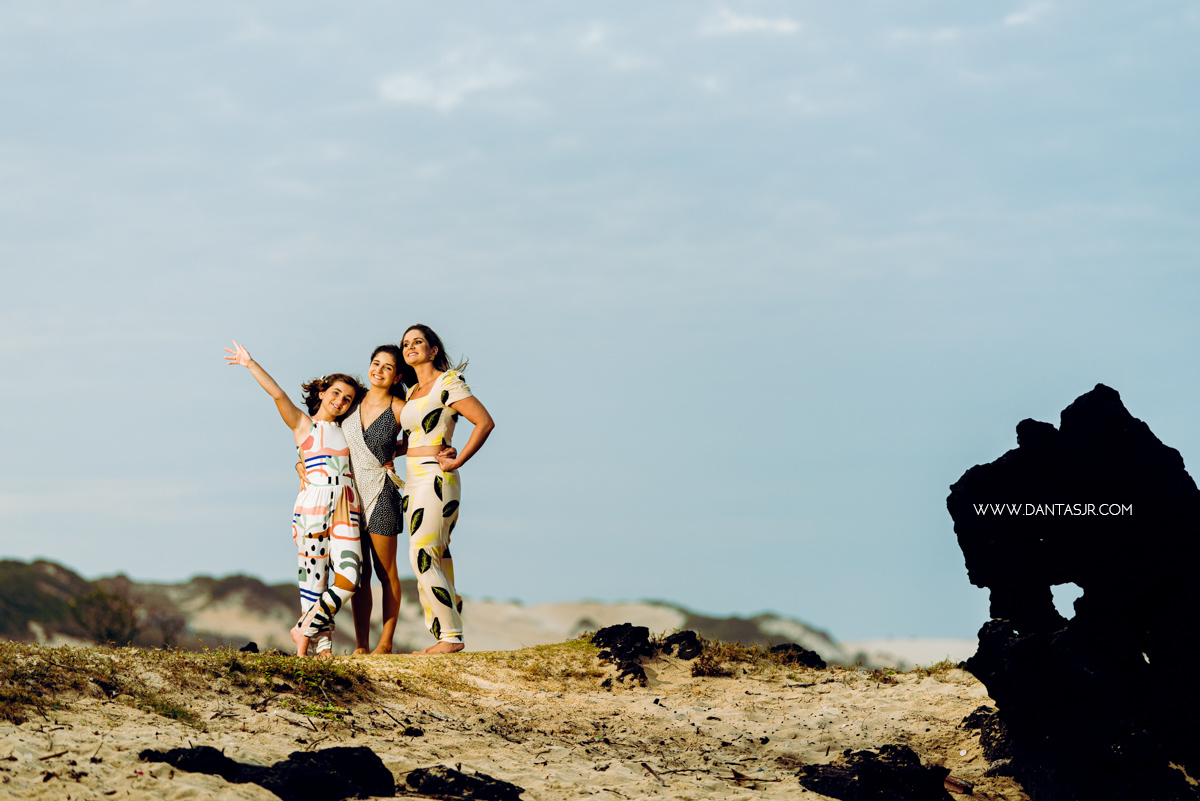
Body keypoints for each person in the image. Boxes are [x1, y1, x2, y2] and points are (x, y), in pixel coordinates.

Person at [224, 340, 364, 658]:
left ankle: (304, 627)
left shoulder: (349, 430)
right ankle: (322, 647)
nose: (340, 401)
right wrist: (250, 363)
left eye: (347, 398)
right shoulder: (304, 424)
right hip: (314, 503)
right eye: (336, 393)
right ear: (322, 392)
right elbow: (278, 394)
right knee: (314, 579)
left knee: (350, 577)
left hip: (347, 503)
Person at [333, 344, 454, 655]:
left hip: (382, 495)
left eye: (387, 367)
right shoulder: (351, 401)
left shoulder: (401, 408)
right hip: (349, 496)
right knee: (359, 574)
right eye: (376, 363)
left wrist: (444, 449)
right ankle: (361, 646)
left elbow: (419, 439)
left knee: (386, 573)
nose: (379, 370)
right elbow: (324, 431)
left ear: (397, 376)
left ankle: (385, 644)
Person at [398, 324, 495, 654]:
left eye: (418, 342)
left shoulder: (447, 382)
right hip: (411, 480)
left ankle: (451, 637)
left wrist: (459, 459)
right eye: (406, 344)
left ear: (433, 349)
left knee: (422, 553)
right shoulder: (412, 391)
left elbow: (484, 422)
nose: (410, 347)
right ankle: (446, 631)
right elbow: (413, 438)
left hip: (436, 478)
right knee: (436, 554)